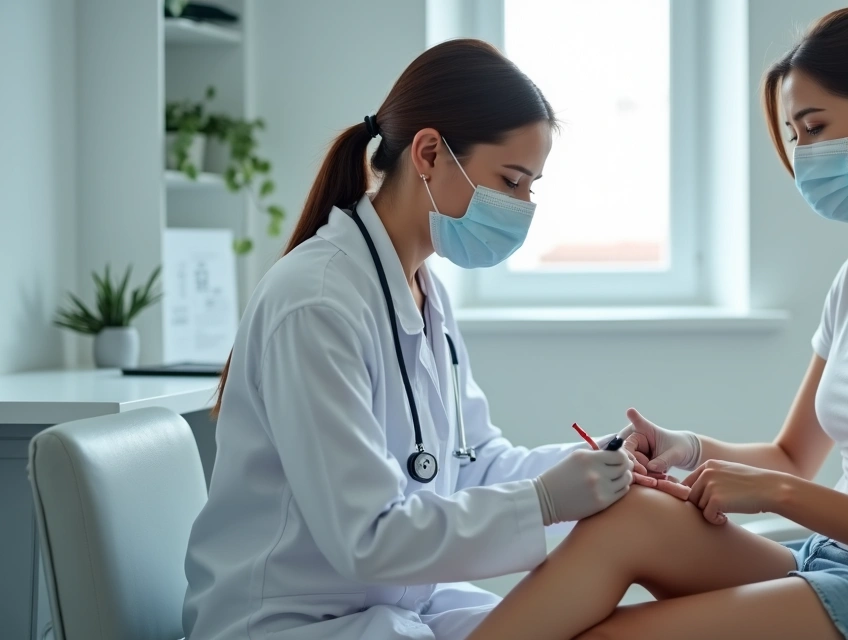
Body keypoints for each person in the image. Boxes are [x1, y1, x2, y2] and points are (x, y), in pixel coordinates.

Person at [465, 7, 848, 640]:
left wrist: (776, 496)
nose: (802, 155)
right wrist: (687, 447)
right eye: (795, 135)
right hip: (835, 566)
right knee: (628, 514)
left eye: (814, 128)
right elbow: (791, 456)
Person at [182, 39, 651, 640]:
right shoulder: (317, 302)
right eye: (510, 181)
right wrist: (544, 502)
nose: (522, 207)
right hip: (289, 622)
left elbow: (472, 462)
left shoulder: (422, 291)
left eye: (531, 187)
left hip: (391, 608)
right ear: (429, 153)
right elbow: (367, 536)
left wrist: (593, 464)